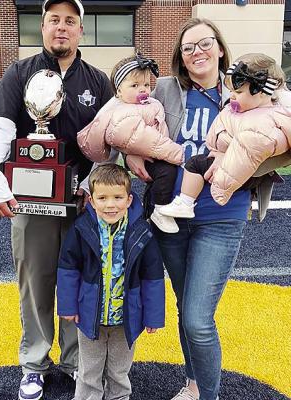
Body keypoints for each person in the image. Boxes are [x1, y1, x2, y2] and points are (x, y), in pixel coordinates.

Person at [125, 18, 291, 400]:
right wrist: (130, 149)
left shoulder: (250, 89)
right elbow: (124, 111)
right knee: (186, 309)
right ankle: (194, 383)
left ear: (220, 48)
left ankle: (208, 395)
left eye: (204, 44)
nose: (196, 52)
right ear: (180, 58)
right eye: (187, 48)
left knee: (199, 319)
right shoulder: (165, 89)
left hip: (221, 214)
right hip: (170, 213)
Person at [0, 0, 112, 399]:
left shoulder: (98, 81)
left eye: (70, 21)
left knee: (76, 280)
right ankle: (35, 362)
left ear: (80, 30)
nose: (62, 27)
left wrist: (91, 182)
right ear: (42, 26)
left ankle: (75, 361)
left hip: (82, 203)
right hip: (29, 203)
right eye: (54, 20)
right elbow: (2, 129)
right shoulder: (19, 73)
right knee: (35, 283)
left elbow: (111, 140)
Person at [57, 164, 165, 400]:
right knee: (88, 372)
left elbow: (153, 276)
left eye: (117, 197)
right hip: (89, 315)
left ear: (129, 199)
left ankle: (119, 397)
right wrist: (67, 306)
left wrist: (153, 315)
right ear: (92, 201)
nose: (110, 204)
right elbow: (68, 269)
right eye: (103, 198)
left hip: (126, 318)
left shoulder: (141, 232)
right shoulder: (81, 228)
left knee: (119, 371)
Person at [160, 53, 291, 220]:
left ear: (262, 93)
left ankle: (185, 202)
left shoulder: (266, 120)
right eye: (231, 91)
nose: (232, 96)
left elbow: (249, 148)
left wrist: (222, 183)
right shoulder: (245, 110)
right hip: (233, 165)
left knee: (195, 164)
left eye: (238, 91)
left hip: (238, 173)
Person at [77, 54, 184, 233]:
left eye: (147, 85)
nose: (142, 90)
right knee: (167, 172)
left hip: (153, 154)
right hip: (158, 154)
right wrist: (179, 155)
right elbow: (138, 139)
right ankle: (160, 209)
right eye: (134, 85)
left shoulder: (147, 104)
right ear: (119, 91)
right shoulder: (121, 110)